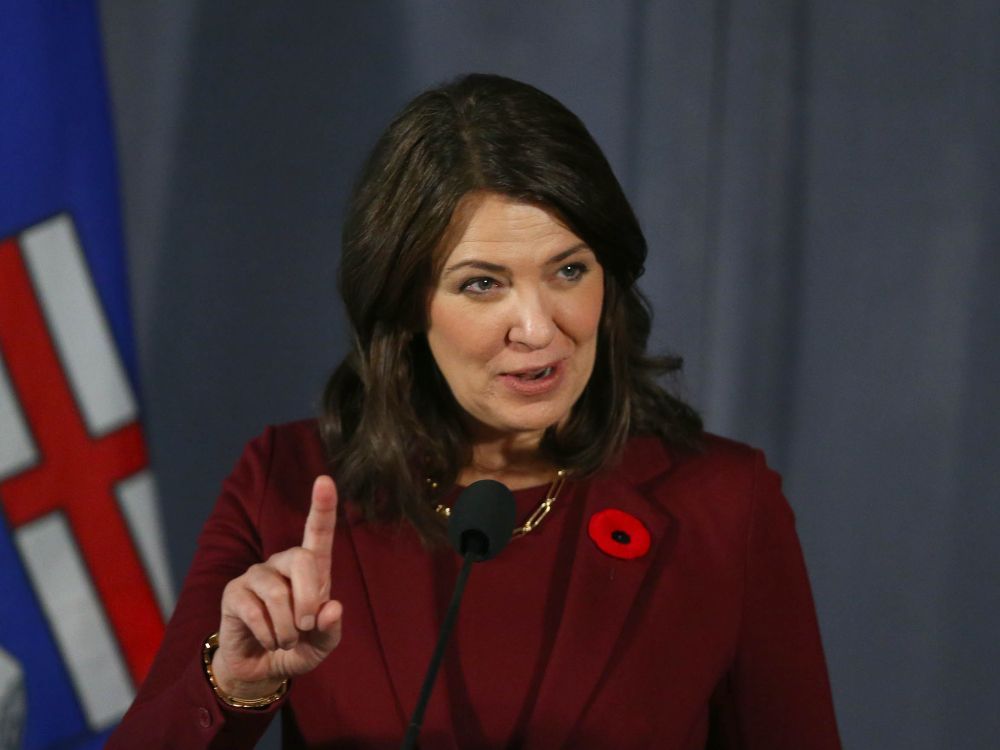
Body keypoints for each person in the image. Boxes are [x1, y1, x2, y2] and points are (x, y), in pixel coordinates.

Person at [108, 73, 841, 749]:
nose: (537, 327)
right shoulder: (291, 485)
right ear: (404, 305)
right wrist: (231, 687)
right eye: (483, 284)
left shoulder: (722, 504)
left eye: (569, 270)